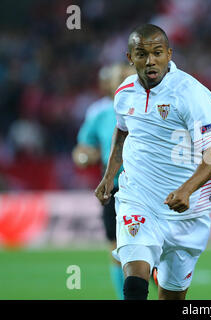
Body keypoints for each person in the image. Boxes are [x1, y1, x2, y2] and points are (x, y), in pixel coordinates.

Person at [94, 24, 211, 300]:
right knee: (136, 276)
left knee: (171, 296)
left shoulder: (191, 94)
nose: (150, 60)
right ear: (130, 58)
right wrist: (109, 176)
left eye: (157, 53)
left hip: (185, 213)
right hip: (138, 199)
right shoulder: (125, 92)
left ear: (169, 54)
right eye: (141, 54)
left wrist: (187, 189)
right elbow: (122, 129)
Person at [73, 63, 135, 299]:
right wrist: (84, 157)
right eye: (117, 78)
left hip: (150, 187)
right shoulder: (99, 113)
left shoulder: (149, 107)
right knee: (117, 248)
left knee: (153, 248)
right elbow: (82, 149)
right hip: (116, 188)